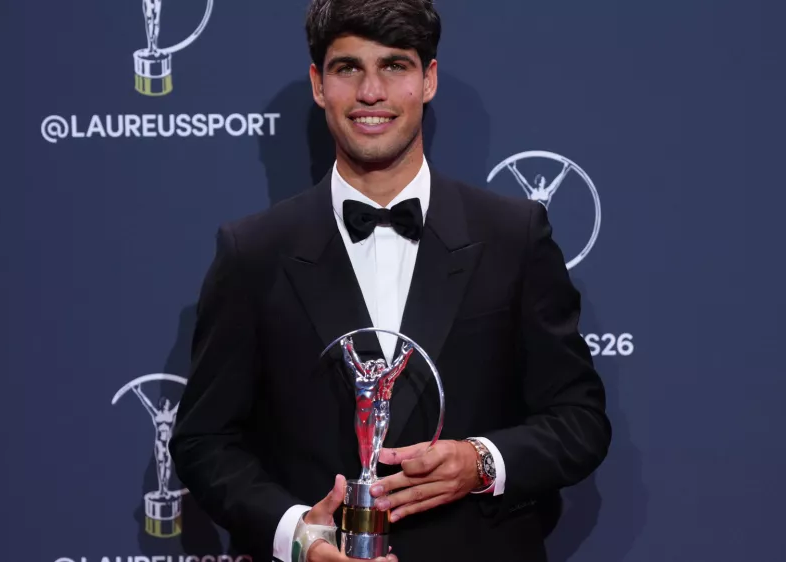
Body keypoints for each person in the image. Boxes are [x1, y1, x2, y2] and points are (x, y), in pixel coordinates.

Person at [169, 0, 612, 560]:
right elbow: (206, 441)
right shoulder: (253, 252)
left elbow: (579, 421)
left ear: (428, 80)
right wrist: (298, 535)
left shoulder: (513, 235)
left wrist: (479, 462)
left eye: (395, 66)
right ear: (317, 84)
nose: (370, 93)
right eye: (348, 68)